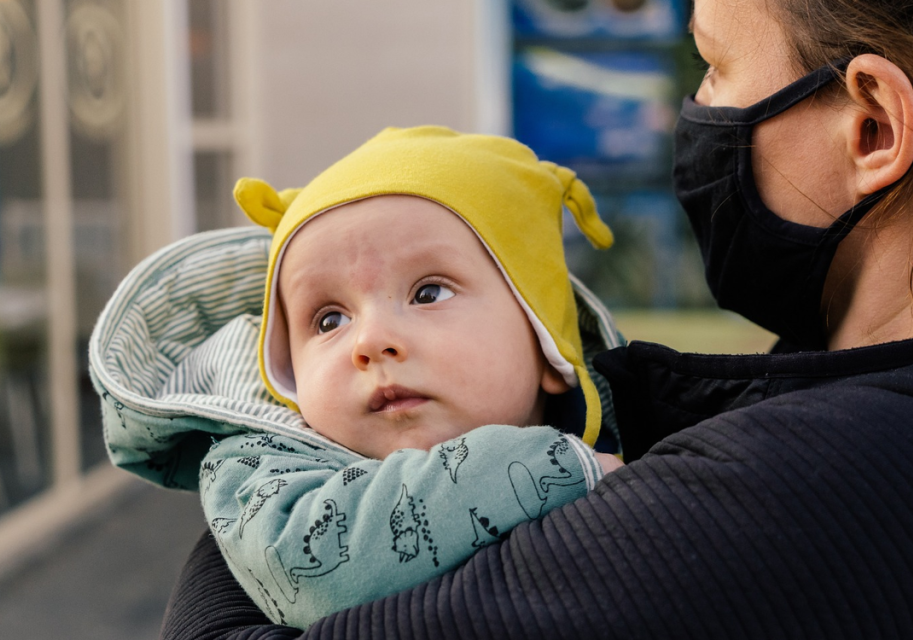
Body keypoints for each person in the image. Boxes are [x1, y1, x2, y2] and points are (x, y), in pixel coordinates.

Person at [152, 0, 913, 637]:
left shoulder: (858, 479)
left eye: (715, 66)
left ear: (871, 128)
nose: (691, 112)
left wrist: (265, 451)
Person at [92, 126, 625, 629]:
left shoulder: (649, 428)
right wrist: (554, 466)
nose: (370, 342)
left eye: (428, 293)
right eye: (329, 320)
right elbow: (311, 566)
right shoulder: (259, 469)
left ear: (546, 347)